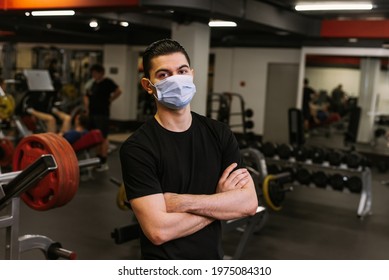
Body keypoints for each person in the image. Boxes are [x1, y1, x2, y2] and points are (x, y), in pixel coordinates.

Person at [119, 39, 258, 259]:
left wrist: (182, 202)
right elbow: (158, 231)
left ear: (191, 74)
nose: (176, 79)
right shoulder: (138, 148)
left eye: (182, 71)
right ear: (148, 85)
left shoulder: (219, 134)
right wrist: (219, 201)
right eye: (164, 75)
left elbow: (249, 203)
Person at [84, 63, 122, 171]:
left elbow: (119, 91)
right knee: (95, 138)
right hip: (93, 113)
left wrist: (110, 100)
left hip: (102, 114)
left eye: (96, 73)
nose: (94, 75)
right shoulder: (93, 84)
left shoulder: (107, 82)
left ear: (101, 73)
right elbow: (87, 95)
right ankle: (97, 160)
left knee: (103, 137)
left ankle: (103, 162)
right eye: (93, 73)